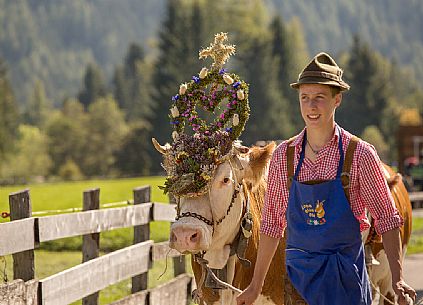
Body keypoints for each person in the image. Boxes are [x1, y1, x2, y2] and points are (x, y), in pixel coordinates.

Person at [236, 52, 416, 305]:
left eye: (319, 98)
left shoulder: (360, 154)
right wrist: (255, 286)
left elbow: (388, 219)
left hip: (345, 281)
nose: (311, 106)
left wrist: (398, 280)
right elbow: (271, 225)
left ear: (337, 100)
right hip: (296, 285)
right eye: (305, 98)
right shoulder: (283, 158)